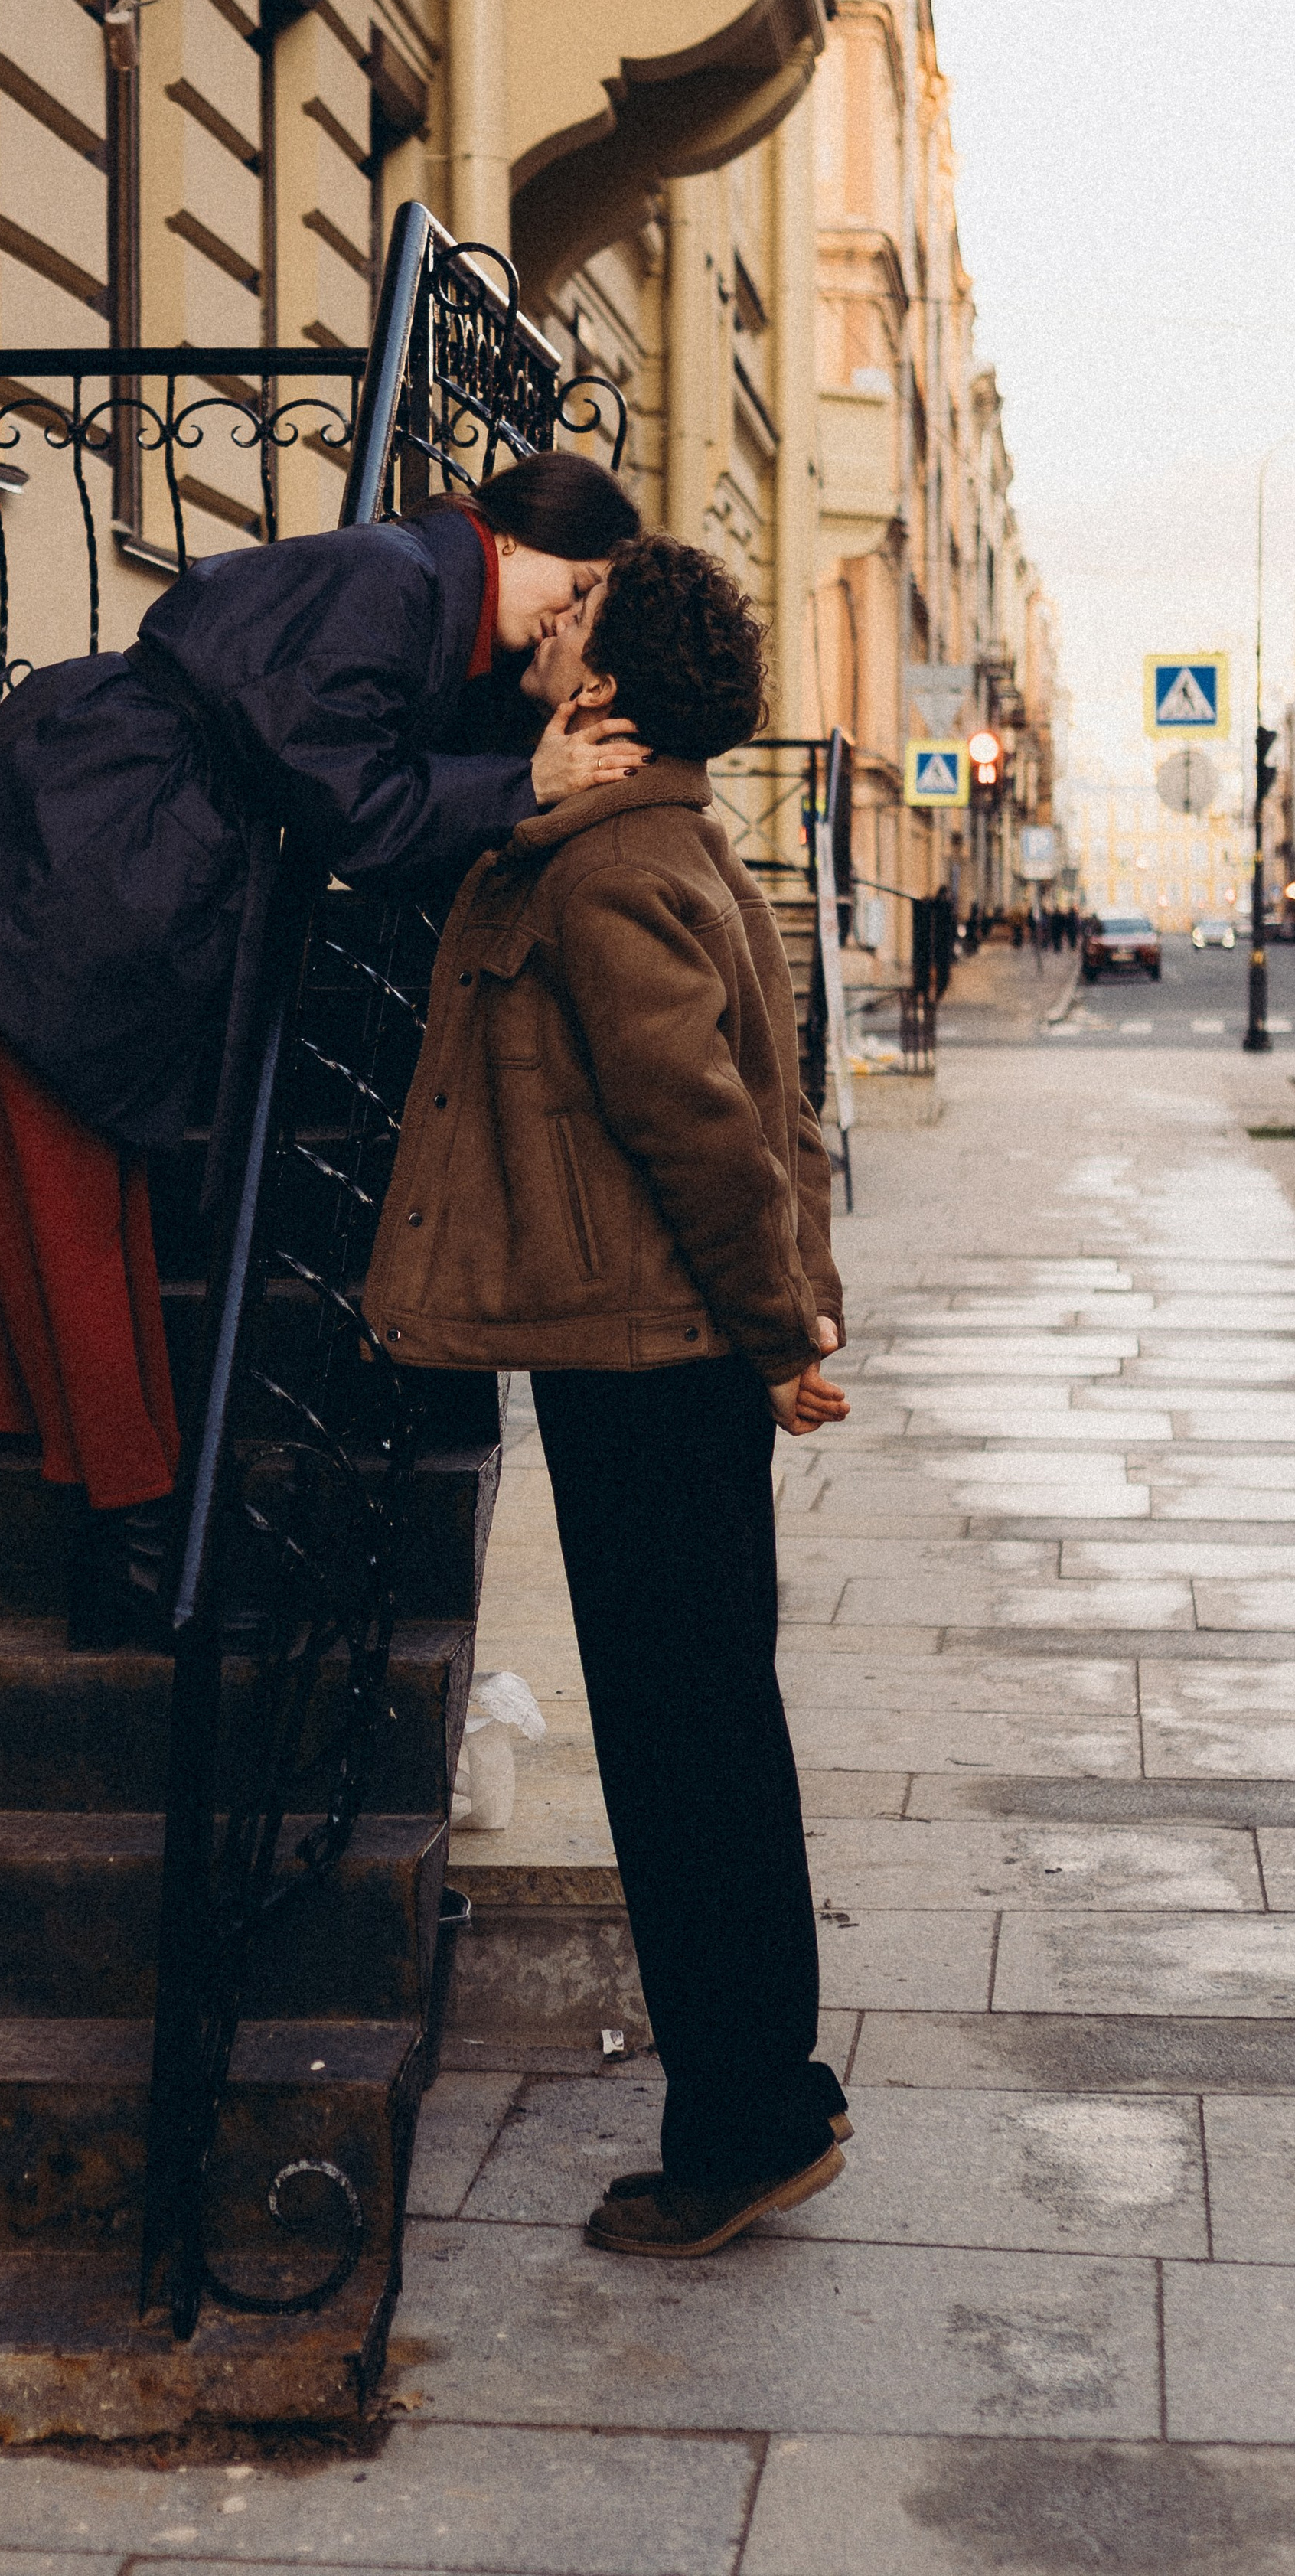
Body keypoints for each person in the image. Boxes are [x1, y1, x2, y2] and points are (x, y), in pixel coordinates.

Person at [0, 452, 644, 1642]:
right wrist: (526, 778)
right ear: (514, 537)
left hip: (101, 834)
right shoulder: (392, 584)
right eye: (582, 582)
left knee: (70, 1208)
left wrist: (536, 724)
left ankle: (129, 1538)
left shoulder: (415, 590)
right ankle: (134, 1555)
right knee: (64, 1208)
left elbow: (371, 766)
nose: (575, 612)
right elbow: (366, 810)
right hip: (87, 844)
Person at [364, 530, 851, 2258]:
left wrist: (782, 1329)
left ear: (619, 681)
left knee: (682, 1744)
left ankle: (740, 2122)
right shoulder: (661, 843)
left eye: (569, 620)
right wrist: (784, 1329)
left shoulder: (601, 873)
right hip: (659, 1354)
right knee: (709, 1720)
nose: (540, 634)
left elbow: (710, 1130)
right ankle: (767, 2091)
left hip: (645, 1361)